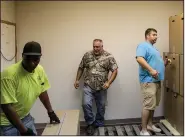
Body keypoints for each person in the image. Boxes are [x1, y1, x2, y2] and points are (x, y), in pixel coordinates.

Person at [0, 41, 60, 136]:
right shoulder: (9, 75)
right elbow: (7, 107)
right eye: (28, 59)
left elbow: (42, 91)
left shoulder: (39, 70)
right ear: (22, 56)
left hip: (25, 117)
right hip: (6, 124)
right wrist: (24, 131)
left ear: (40, 58)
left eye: (36, 59)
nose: (32, 64)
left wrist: (50, 111)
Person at [74, 39, 118, 135]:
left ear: (102, 46)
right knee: (86, 104)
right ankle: (90, 124)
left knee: (101, 107)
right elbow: (81, 67)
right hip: (88, 85)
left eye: (97, 47)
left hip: (102, 87)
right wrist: (77, 79)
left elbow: (115, 70)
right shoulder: (87, 55)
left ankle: (99, 123)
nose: (95, 48)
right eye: (94, 46)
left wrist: (109, 83)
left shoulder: (108, 56)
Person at [136, 28, 169, 135]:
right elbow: (139, 59)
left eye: (156, 35)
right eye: (154, 35)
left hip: (156, 80)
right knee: (148, 105)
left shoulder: (154, 48)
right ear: (147, 36)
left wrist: (163, 64)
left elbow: (154, 63)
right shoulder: (143, 45)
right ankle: (143, 130)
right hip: (148, 80)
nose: (156, 37)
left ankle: (150, 125)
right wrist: (150, 70)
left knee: (153, 105)